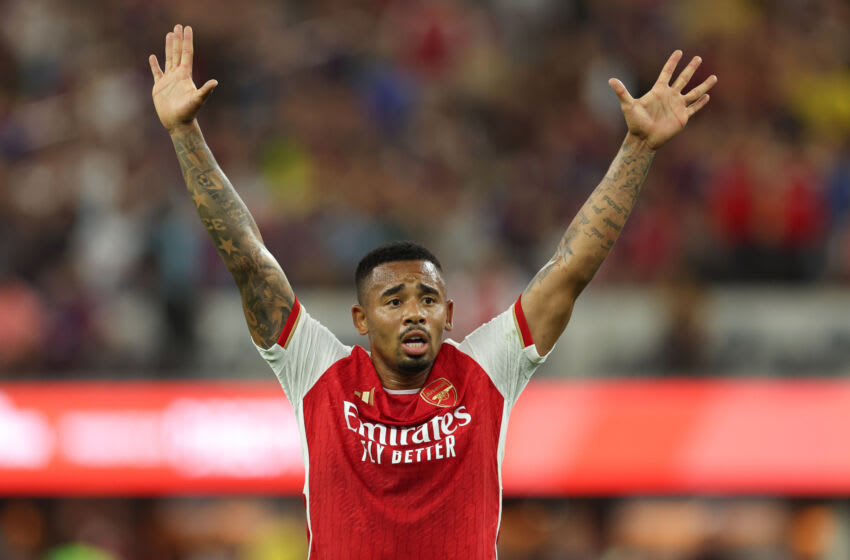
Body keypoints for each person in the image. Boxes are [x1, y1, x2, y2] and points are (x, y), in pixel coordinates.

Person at [149, 24, 716, 559]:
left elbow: (569, 268)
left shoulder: (485, 370)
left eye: (426, 300)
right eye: (393, 302)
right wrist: (185, 133)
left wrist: (638, 148)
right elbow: (249, 259)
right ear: (361, 319)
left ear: (448, 313)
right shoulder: (318, 372)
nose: (414, 313)